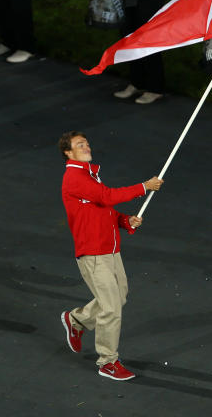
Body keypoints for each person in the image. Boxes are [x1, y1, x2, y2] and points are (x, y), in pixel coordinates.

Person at [58, 131, 163, 381]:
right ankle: (108, 361)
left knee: (119, 297)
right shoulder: (74, 176)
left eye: (87, 142)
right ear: (68, 153)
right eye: (79, 144)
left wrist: (126, 220)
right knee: (111, 308)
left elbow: (104, 208)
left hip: (110, 250)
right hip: (93, 253)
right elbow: (106, 197)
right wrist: (143, 187)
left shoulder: (89, 175)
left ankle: (76, 320)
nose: (86, 146)